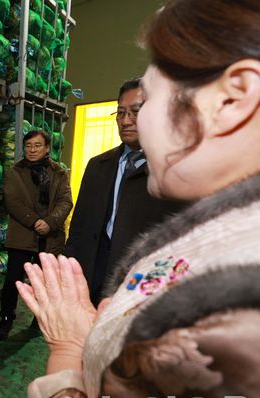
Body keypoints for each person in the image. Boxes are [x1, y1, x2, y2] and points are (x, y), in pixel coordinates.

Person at [17, 0, 260, 398]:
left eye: (150, 100)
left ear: (233, 98)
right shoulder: (230, 230)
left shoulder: (248, 312)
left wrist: (71, 350)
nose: (136, 121)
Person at [64, 78, 182, 305]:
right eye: (120, 113)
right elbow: (79, 226)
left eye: (136, 112)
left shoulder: (171, 170)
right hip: (92, 271)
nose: (125, 121)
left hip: (137, 283)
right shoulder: (98, 165)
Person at [0, 129, 72, 340]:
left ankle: (39, 319)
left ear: (47, 148)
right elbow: (12, 201)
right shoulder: (14, 172)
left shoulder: (59, 173)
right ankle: (6, 318)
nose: (32, 150)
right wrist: (34, 221)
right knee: (13, 281)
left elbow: (66, 201)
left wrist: (50, 222)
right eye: (28, 146)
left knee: (45, 282)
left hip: (50, 237)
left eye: (37, 145)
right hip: (22, 235)